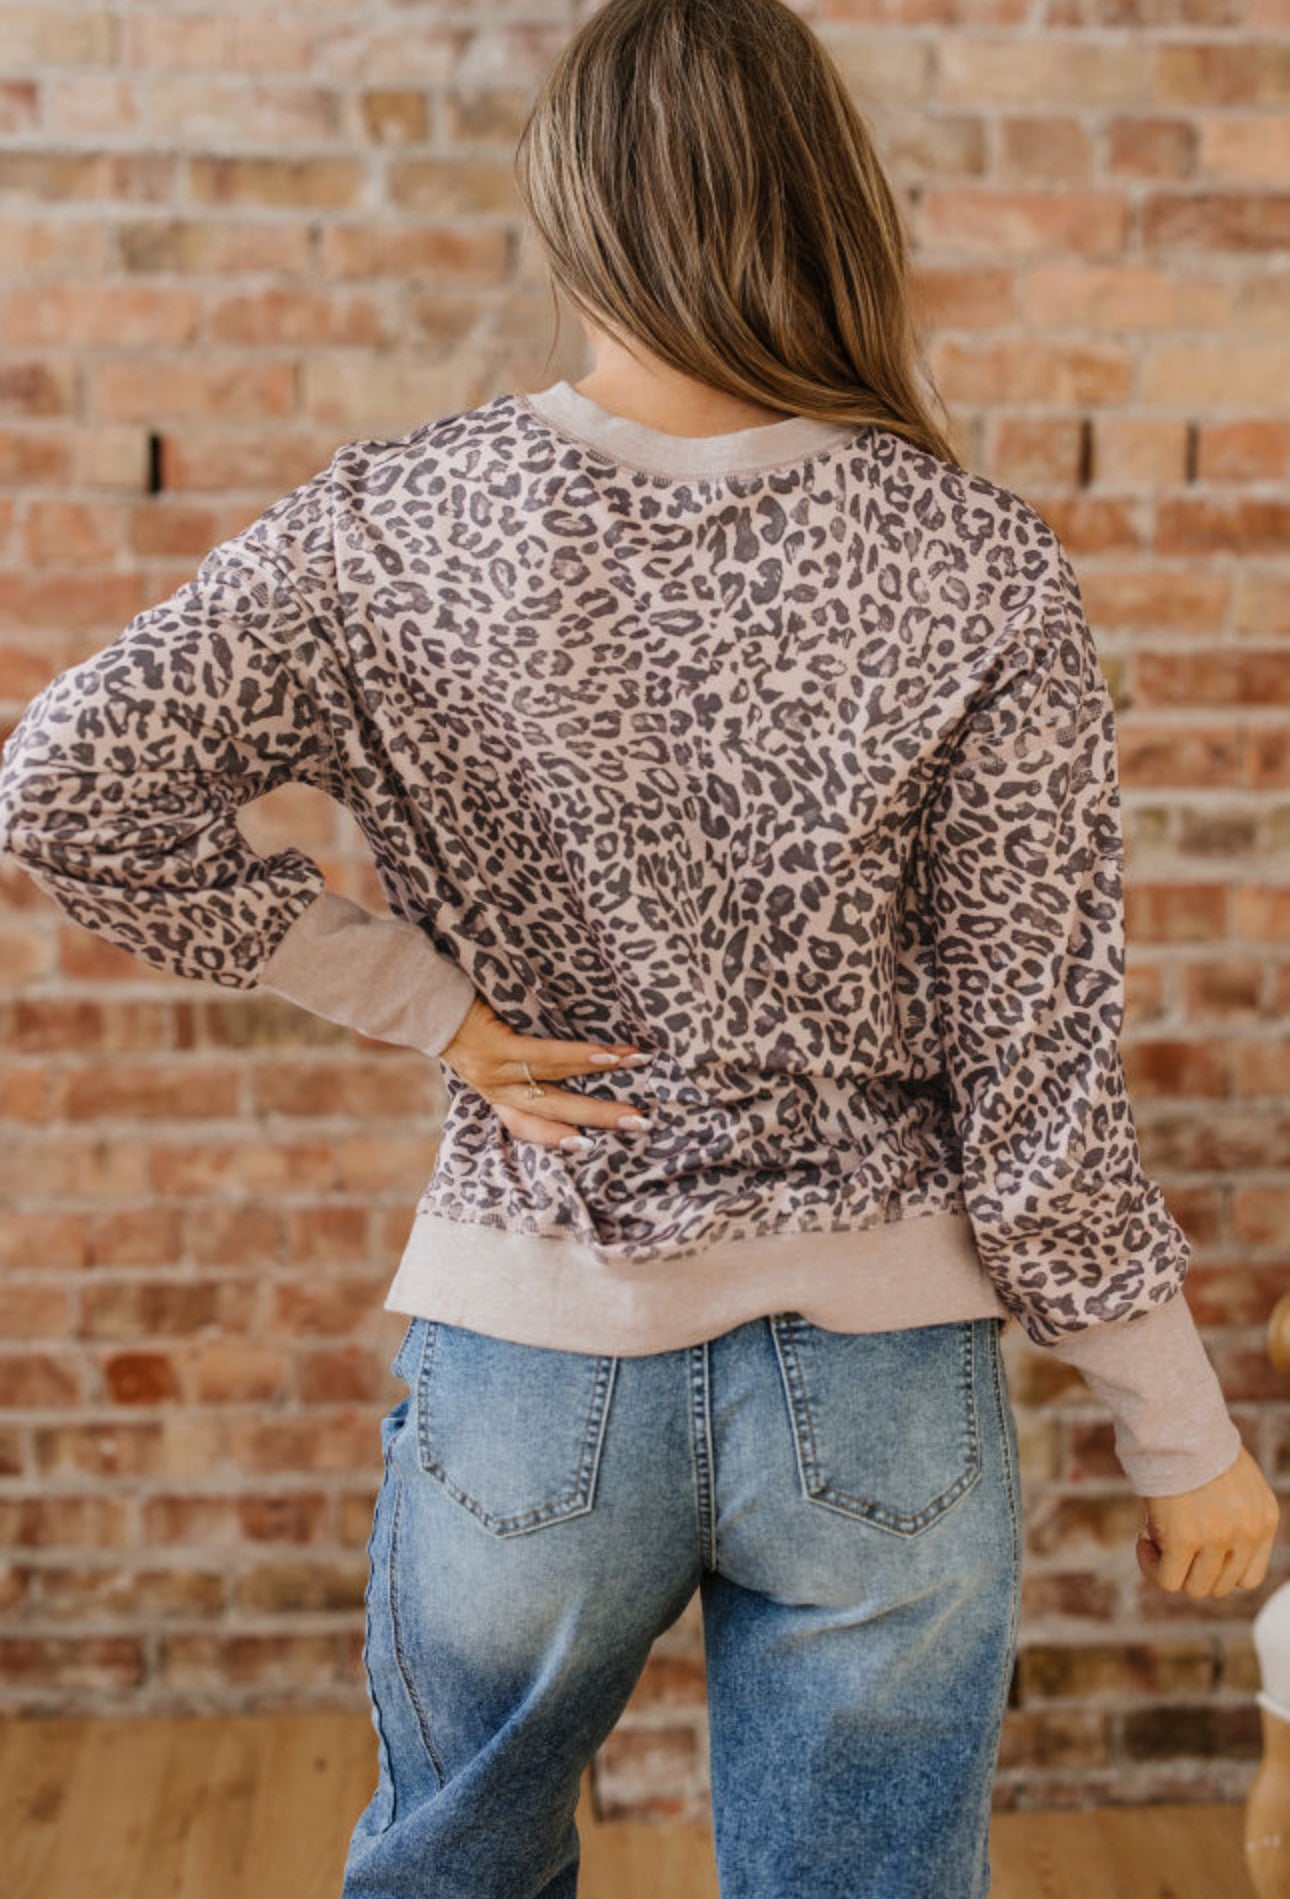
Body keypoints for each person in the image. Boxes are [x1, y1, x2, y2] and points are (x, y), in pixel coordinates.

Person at [0, 0, 1278, 1892]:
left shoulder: (387, 526)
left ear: (570, 209)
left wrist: (428, 1007)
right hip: (883, 1388)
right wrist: (1181, 1434)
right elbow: (1040, 1081)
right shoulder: (980, 562)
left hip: (533, 1348)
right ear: (832, 208)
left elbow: (63, 788)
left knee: (453, 1871)